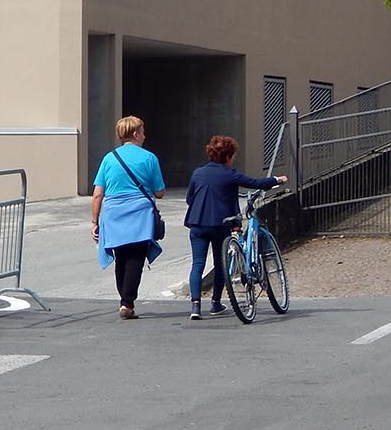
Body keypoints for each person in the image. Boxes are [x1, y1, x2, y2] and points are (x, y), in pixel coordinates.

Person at [183, 135, 287, 319]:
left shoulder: (197, 173)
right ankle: (215, 303)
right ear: (228, 157)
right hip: (219, 224)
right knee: (220, 263)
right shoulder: (229, 174)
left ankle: (195, 307)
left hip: (197, 223)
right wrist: (276, 179)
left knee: (197, 263)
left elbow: (189, 199)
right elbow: (255, 183)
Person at [90, 115, 166, 318]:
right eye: (142, 131)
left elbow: (98, 193)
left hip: (113, 213)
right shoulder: (149, 158)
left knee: (121, 256)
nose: (144, 135)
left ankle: (124, 300)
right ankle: (127, 302)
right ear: (135, 134)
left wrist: (94, 222)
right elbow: (159, 192)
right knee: (136, 257)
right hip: (140, 213)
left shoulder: (109, 158)